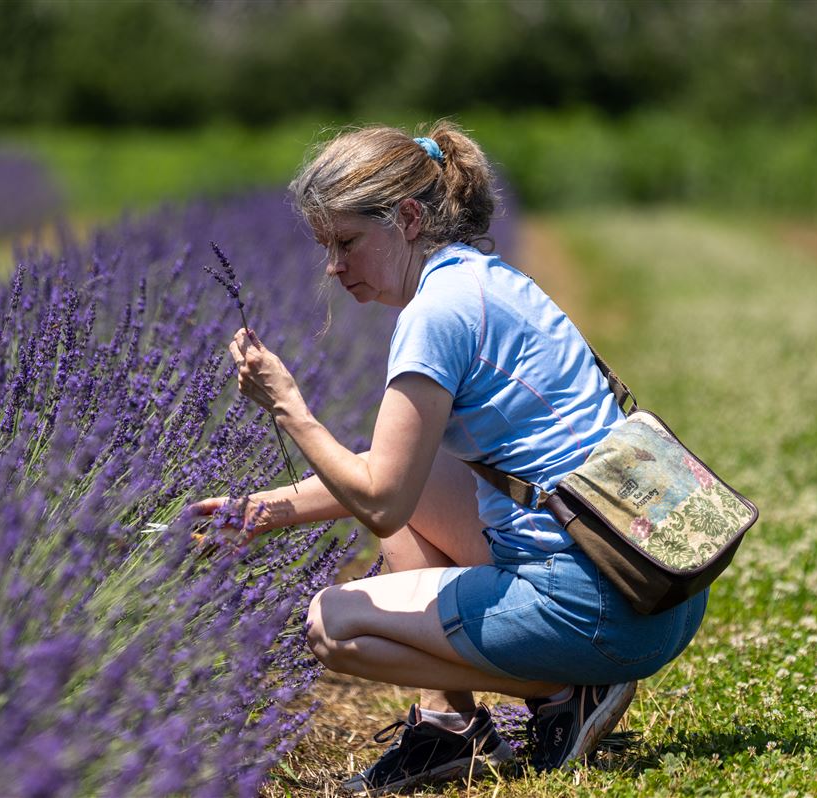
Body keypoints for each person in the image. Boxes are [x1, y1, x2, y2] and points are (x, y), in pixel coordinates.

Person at [190, 121, 708, 795]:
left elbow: (380, 497)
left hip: (606, 614)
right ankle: (450, 728)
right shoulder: (488, 281)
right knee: (402, 478)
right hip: (658, 580)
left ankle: (564, 691)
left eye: (346, 242)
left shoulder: (435, 317)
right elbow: (396, 477)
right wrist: (262, 510)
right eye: (326, 246)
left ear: (406, 218)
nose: (333, 267)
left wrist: (288, 407)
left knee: (331, 625)